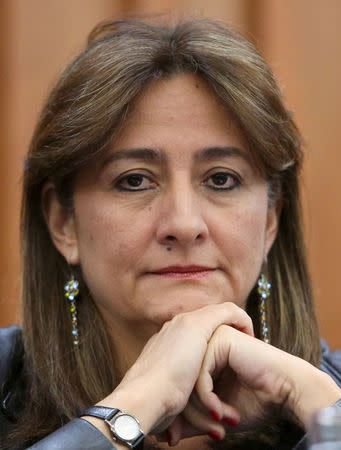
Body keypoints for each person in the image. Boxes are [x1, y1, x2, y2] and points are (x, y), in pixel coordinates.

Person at [0, 17, 340, 450]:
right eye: (135, 181)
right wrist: (132, 408)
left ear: (271, 217)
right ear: (63, 222)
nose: (183, 224)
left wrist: (317, 406)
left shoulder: (329, 391)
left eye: (221, 180)